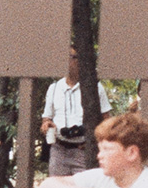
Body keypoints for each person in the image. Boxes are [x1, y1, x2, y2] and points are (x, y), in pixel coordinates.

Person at [39, 113, 148, 188]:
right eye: (100, 149)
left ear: (132, 153)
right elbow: (47, 185)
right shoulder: (100, 177)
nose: (99, 156)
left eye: (107, 150)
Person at [41, 47, 112, 176]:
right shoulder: (54, 88)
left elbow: (107, 119)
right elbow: (46, 118)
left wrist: (93, 141)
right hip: (59, 150)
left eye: (72, 57)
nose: (68, 61)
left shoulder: (95, 88)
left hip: (83, 150)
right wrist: (47, 125)